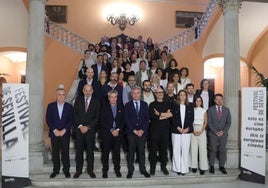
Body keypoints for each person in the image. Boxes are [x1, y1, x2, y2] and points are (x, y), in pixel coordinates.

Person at [73, 84, 101, 179]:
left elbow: (97, 117)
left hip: (90, 131)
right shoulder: (78, 100)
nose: (88, 92)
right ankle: (78, 170)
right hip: (79, 130)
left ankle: (90, 170)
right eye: (86, 90)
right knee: (79, 151)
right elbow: (75, 114)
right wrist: (80, 126)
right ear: (83, 91)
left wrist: (88, 126)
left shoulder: (96, 101)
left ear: (92, 91)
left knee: (90, 152)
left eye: (89, 90)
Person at [46, 86, 73, 179]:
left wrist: (65, 130)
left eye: (63, 95)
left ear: (65, 96)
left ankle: (66, 171)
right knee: (55, 153)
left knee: (65, 153)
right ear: (56, 95)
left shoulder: (69, 106)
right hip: (54, 134)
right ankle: (56, 170)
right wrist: (55, 130)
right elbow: (48, 119)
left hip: (65, 133)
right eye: (59, 95)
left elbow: (71, 120)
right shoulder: (50, 106)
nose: (61, 96)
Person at [125, 86, 150, 179]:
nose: (136, 95)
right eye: (134, 93)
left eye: (137, 93)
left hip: (142, 133)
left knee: (141, 152)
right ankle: (130, 171)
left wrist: (142, 130)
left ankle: (143, 170)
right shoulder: (127, 105)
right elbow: (127, 120)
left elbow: (147, 119)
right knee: (131, 152)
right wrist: (134, 130)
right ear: (131, 95)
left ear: (140, 94)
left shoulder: (145, 104)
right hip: (131, 133)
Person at [149, 87, 172, 176]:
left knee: (164, 150)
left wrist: (159, 114)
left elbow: (170, 115)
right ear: (155, 94)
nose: (160, 93)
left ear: (163, 93)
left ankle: (163, 167)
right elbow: (152, 117)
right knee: (153, 150)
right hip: (154, 130)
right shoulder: (151, 104)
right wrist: (164, 115)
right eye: (158, 92)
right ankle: (152, 168)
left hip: (165, 130)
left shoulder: (168, 103)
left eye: (161, 92)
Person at [100, 90, 124, 179]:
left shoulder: (121, 107)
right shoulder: (104, 107)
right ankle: (105, 170)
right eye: (112, 97)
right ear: (109, 98)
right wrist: (111, 130)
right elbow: (102, 121)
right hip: (107, 134)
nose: (113, 99)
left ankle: (117, 170)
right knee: (105, 153)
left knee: (117, 153)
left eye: (115, 97)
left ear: (117, 98)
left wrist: (117, 130)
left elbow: (123, 121)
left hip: (117, 134)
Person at [171, 90, 194, 175]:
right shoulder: (174, 105)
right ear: (178, 96)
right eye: (181, 95)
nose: (183, 96)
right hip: (176, 131)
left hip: (187, 131)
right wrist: (178, 128)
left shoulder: (190, 105)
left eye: (184, 95)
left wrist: (187, 129)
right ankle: (177, 169)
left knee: (185, 150)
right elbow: (172, 118)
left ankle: (184, 169)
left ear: (186, 96)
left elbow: (192, 119)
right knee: (176, 150)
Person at [207, 94, 231, 174]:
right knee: (213, 150)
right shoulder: (210, 110)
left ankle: (222, 166)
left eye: (221, 99)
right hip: (213, 134)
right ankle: (212, 166)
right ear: (214, 100)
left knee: (222, 150)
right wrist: (215, 132)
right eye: (217, 99)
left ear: (222, 100)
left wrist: (223, 131)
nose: (219, 101)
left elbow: (228, 123)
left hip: (223, 134)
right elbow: (209, 123)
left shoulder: (227, 110)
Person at [190, 96, 208, 175]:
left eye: (200, 101)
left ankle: (202, 167)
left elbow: (205, 122)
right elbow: (190, 121)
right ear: (195, 102)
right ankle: (194, 166)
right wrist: (193, 130)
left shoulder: (204, 111)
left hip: (201, 130)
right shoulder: (192, 110)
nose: (198, 102)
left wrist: (201, 131)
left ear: (201, 102)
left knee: (202, 149)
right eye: (197, 101)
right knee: (193, 149)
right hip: (193, 129)